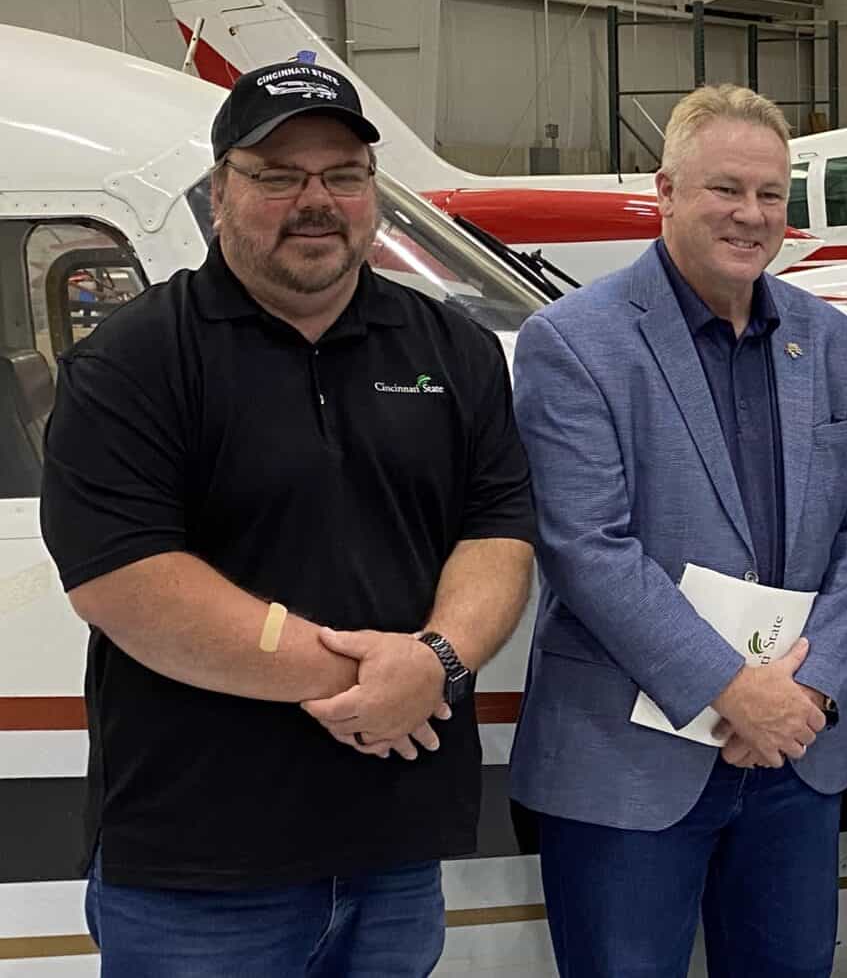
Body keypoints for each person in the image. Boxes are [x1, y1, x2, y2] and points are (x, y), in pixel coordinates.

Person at [40, 60, 536, 976]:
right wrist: (376, 687)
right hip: (198, 868)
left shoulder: (450, 350)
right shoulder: (133, 363)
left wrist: (432, 661)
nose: (317, 200)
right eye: (278, 176)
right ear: (221, 192)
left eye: (343, 176)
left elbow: (498, 529)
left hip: (394, 848)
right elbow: (125, 580)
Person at [508, 83, 847, 978]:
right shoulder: (573, 342)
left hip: (795, 751)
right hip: (627, 762)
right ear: (667, 191)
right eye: (726, 189)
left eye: (770, 194)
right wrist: (731, 688)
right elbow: (585, 546)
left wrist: (811, 689)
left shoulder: (831, 340)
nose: (751, 215)